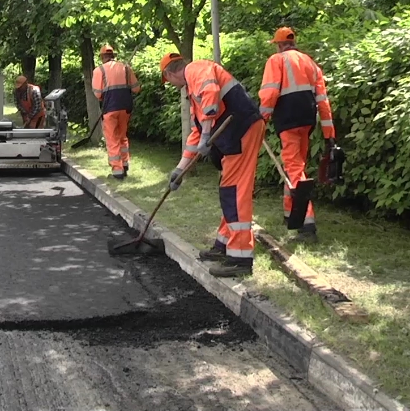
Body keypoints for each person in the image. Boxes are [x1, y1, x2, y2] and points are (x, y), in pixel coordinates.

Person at [161, 52, 265, 278]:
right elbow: (195, 134)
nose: (171, 85)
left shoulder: (195, 69)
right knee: (229, 189)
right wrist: (180, 169)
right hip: (235, 135)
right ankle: (223, 245)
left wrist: (207, 133)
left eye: (168, 80)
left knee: (234, 191)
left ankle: (239, 259)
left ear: (170, 73)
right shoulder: (192, 90)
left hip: (242, 130)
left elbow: (211, 93)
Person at [258, 27, 336, 244]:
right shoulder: (310, 63)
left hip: (288, 120)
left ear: (279, 44)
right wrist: (330, 134)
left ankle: (306, 222)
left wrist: (261, 122)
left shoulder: (276, 61)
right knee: (297, 165)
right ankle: (289, 212)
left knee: (293, 168)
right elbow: (323, 101)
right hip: (307, 120)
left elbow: (269, 93)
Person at [91, 44, 140, 180]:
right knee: (122, 136)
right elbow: (136, 89)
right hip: (126, 107)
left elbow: (97, 93)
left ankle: (117, 171)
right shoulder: (126, 68)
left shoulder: (99, 70)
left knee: (112, 138)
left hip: (109, 108)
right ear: (113, 55)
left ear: (102, 57)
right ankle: (124, 164)